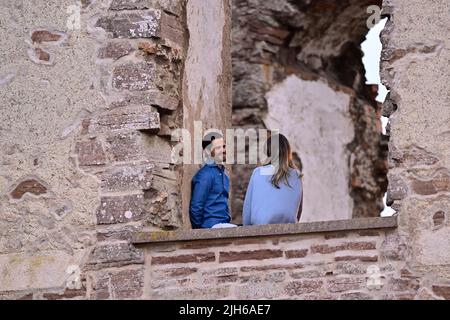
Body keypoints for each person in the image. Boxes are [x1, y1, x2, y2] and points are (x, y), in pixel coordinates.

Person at [243, 133, 303, 226]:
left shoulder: (258, 172)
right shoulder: (297, 175)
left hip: (260, 228)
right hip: (288, 227)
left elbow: (247, 210)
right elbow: (298, 212)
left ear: (268, 151)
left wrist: (247, 230)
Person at [189, 132, 236, 229]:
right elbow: (196, 207)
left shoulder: (224, 175)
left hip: (224, 224)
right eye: (218, 148)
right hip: (210, 226)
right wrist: (202, 231)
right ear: (207, 152)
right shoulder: (205, 175)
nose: (223, 150)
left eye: (224, 146)